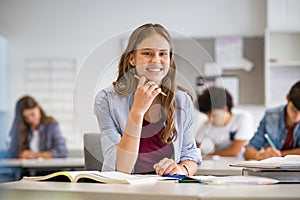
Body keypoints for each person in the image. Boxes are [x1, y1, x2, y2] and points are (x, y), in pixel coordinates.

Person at [94, 23, 201, 176]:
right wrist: (137, 112)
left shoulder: (182, 100)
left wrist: (181, 168)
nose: (156, 60)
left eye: (163, 54)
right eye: (147, 53)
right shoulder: (107, 100)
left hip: (168, 189)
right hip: (124, 189)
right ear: (132, 59)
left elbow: (190, 156)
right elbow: (121, 168)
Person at [244, 81, 300, 160]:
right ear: (287, 98)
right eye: (293, 110)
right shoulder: (270, 116)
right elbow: (248, 151)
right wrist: (260, 155)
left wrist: (280, 155)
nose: (297, 117)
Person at [195, 86, 254, 157]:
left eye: (213, 115)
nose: (210, 119)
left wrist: (207, 155)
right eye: (207, 116)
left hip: (241, 161)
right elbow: (192, 147)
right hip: (219, 162)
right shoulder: (207, 125)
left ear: (225, 109)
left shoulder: (243, 117)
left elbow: (235, 151)